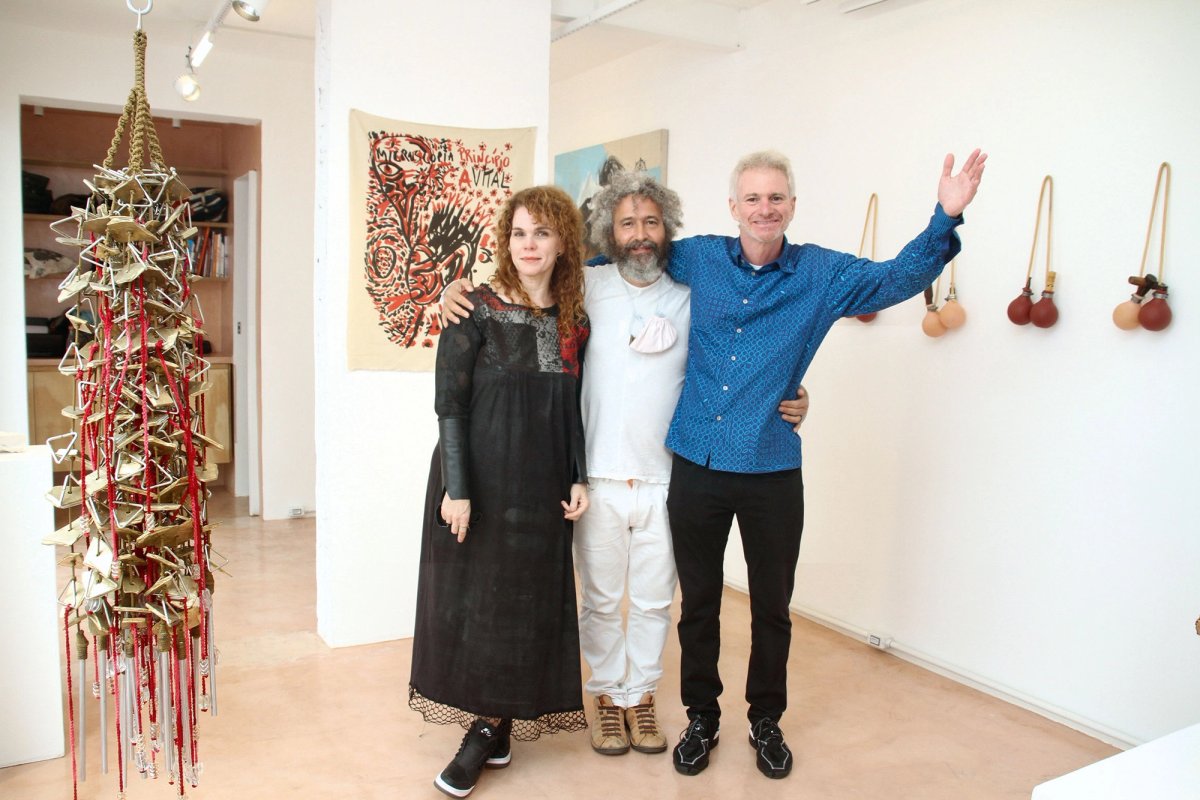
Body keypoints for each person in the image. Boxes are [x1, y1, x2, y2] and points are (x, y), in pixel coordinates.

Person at [441, 171, 810, 760]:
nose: (640, 235)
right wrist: (453, 291)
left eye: (651, 223)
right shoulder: (583, 289)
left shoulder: (695, 294)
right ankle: (607, 698)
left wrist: (795, 393)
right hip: (595, 479)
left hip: (671, 477)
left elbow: (742, 357)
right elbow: (522, 294)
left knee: (657, 600)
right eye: (627, 223)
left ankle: (642, 696)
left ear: (668, 230)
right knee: (601, 599)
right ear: (608, 233)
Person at [664, 149, 987, 780]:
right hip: (697, 461)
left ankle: (766, 722)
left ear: (791, 205)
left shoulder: (821, 274)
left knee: (772, 606)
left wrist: (944, 216)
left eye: (776, 197)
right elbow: (622, 261)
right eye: (752, 198)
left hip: (772, 467)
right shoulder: (696, 257)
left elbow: (896, 278)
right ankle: (701, 717)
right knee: (698, 602)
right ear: (733, 207)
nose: (765, 208)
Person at [408, 185, 592, 799]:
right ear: (505, 241)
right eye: (518, 233)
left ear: (563, 240)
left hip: (540, 486)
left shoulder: (574, 323)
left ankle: (500, 726)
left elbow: (574, 409)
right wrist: (456, 489)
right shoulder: (473, 310)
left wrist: (577, 474)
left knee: (524, 602)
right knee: (478, 601)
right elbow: (449, 406)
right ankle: (482, 730)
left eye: (541, 232)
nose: (529, 244)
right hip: (478, 482)